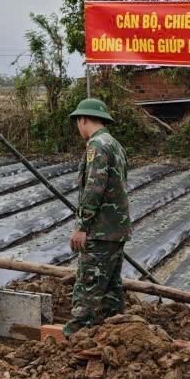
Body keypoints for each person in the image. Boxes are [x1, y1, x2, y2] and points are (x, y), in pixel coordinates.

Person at [65, 98, 130, 336]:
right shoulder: (115, 144)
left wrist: (82, 226)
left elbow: (94, 188)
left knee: (87, 290)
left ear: (83, 120)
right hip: (116, 230)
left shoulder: (97, 146)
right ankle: (118, 337)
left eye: (77, 122)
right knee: (111, 292)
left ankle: (73, 340)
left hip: (100, 232)